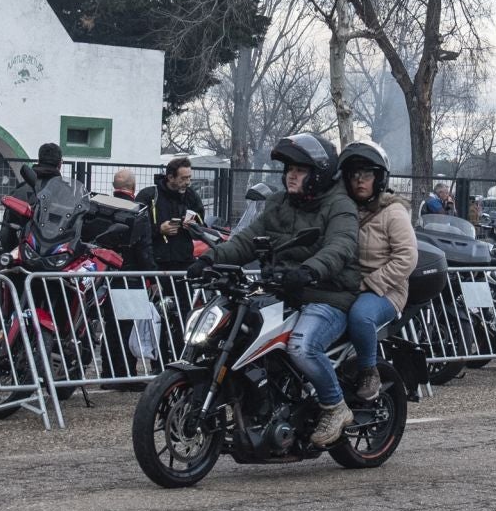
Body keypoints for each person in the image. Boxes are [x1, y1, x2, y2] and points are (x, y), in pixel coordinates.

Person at [189, 133, 360, 446]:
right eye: (289, 168)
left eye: (300, 169)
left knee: (301, 346)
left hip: (327, 296)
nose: (291, 174)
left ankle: (335, 406)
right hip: (285, 292)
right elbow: (247, 240)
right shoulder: (279, 203)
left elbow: (341, 247)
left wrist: (309, 271)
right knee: (242, 336)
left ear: (319, 174)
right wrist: (210, 259)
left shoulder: (340, 206)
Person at [338, 140, 415, 402]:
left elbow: (407, 257)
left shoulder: (393, 212)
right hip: (349, 285)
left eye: (367, 175)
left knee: (361, 316)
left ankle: (369, 371)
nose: (360, 181)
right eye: (354, 175)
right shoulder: (343, 210)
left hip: (386, 290)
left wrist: (371, 282)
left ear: (379, 178)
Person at [136, 156, 208, 272]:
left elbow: (202, 226)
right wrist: (159, 229)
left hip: (184, 260)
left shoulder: (191, 196)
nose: (188, 183)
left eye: (189, 178)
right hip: (156, 262)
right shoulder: (149, 196)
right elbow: (137, 230)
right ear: (170, 177)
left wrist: (193, 227)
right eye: (183, 178)